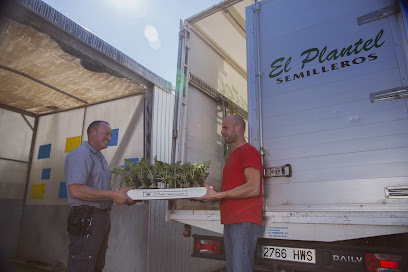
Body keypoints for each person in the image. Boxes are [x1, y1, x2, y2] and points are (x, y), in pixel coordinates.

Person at [64, 120, 135, 272]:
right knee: (83, 264)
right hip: (87, 218)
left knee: (95, 265)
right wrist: (113, 195)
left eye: (110, 135)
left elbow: (99, 190)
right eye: (106, 134)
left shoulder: (100, 157)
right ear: (92, 133)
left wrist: (121, 196)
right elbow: (76, 190)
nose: (109, 138)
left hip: (100, 219)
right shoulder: (80, 154)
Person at [196, 114, 263, 272]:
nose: (222, 131)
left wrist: (218, 195)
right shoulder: (233, 155)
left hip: (244, 221)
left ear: (238, 128)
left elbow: (253, 187)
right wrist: (209, 195)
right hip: (231, 221)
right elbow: (234, 188)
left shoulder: (249, 151)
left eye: (225, 127)